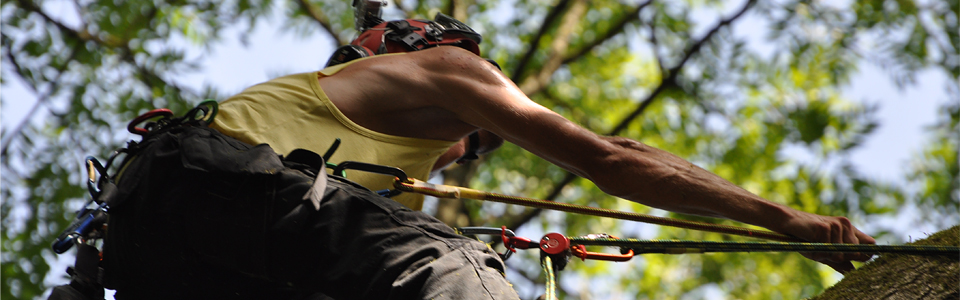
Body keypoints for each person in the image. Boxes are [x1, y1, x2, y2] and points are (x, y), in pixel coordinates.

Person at [98, 12, 874, 300]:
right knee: (461, 272)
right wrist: (783, 219)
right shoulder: (444, 68)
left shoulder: (353, 139)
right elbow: (611, 162)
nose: (463, 153)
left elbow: (623, 151)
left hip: (148, 244)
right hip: (226, 188)